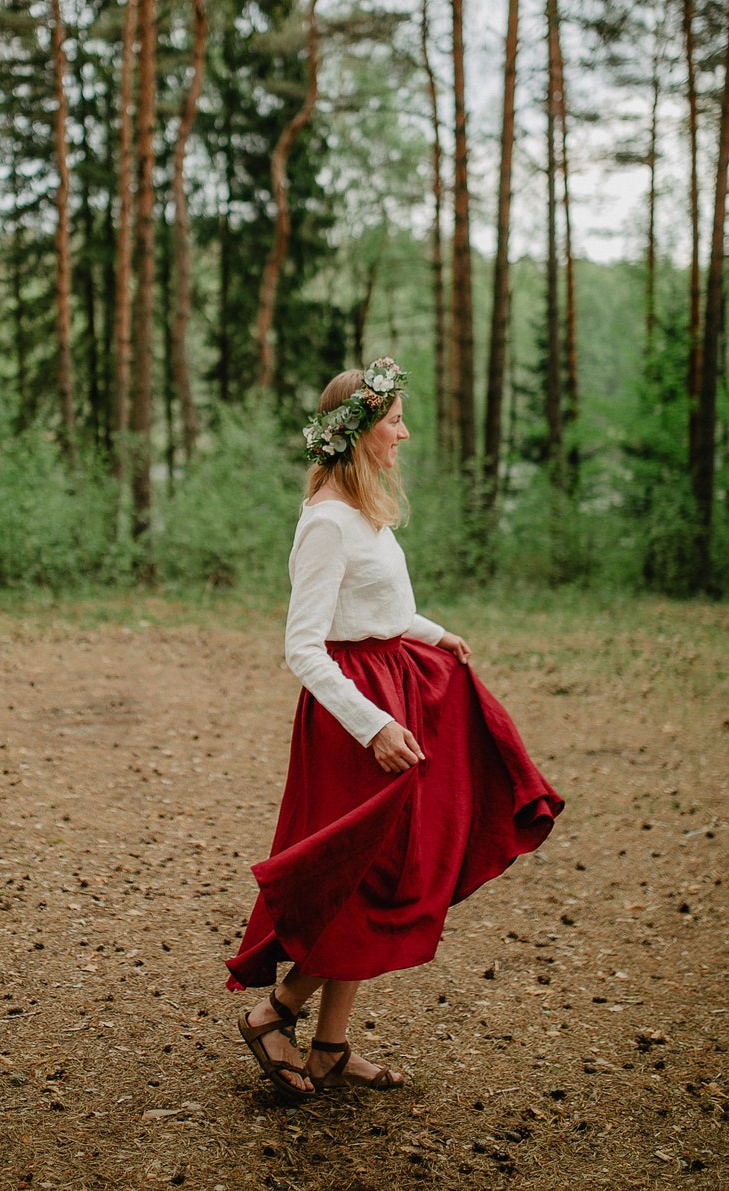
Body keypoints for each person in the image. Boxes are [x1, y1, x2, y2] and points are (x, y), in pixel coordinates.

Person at [226, 358, 564, 1097]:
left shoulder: (364, 513)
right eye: (394, 421)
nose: (404, 433)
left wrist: (433, 633)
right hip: (353, 717)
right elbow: (305, 647)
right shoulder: (324, 523)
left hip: (393, 689)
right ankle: (273, 1013)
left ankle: (329, 1047)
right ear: (355, 434)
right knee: (361, 880)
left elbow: (377, 608)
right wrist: (373, 724)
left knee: (392, 870)